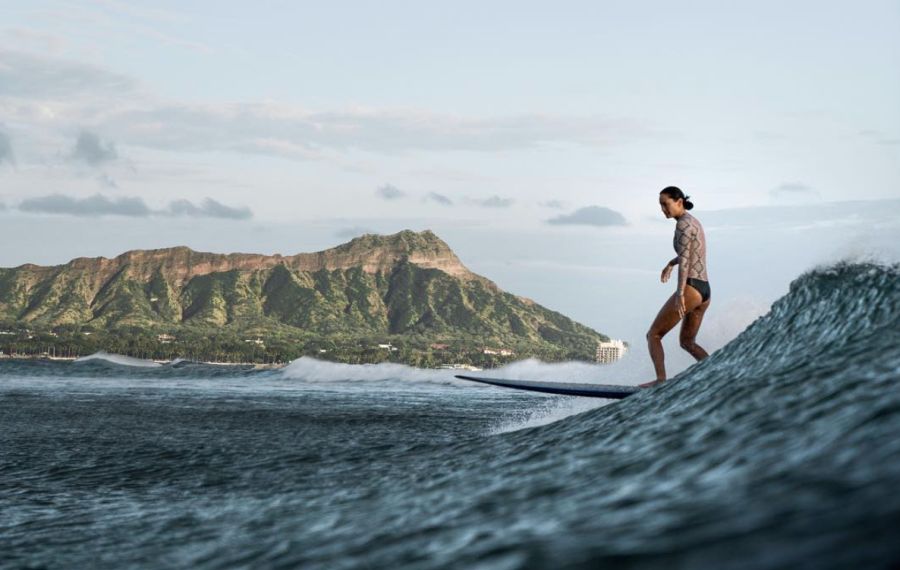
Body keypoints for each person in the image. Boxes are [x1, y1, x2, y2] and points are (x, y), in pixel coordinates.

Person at [639, 186, 711, 388]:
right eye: (660, 205)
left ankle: (661, 380)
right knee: (687, 342)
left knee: (653, 334)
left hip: (690, 288)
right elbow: (690, 254)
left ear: (679, 201)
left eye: (665, 204)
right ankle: (716, 372)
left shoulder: (682, 226)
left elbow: (687, 261)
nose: (663, 209)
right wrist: (671, 263)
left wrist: (680, 293)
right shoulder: (692, 222)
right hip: (704, 290)